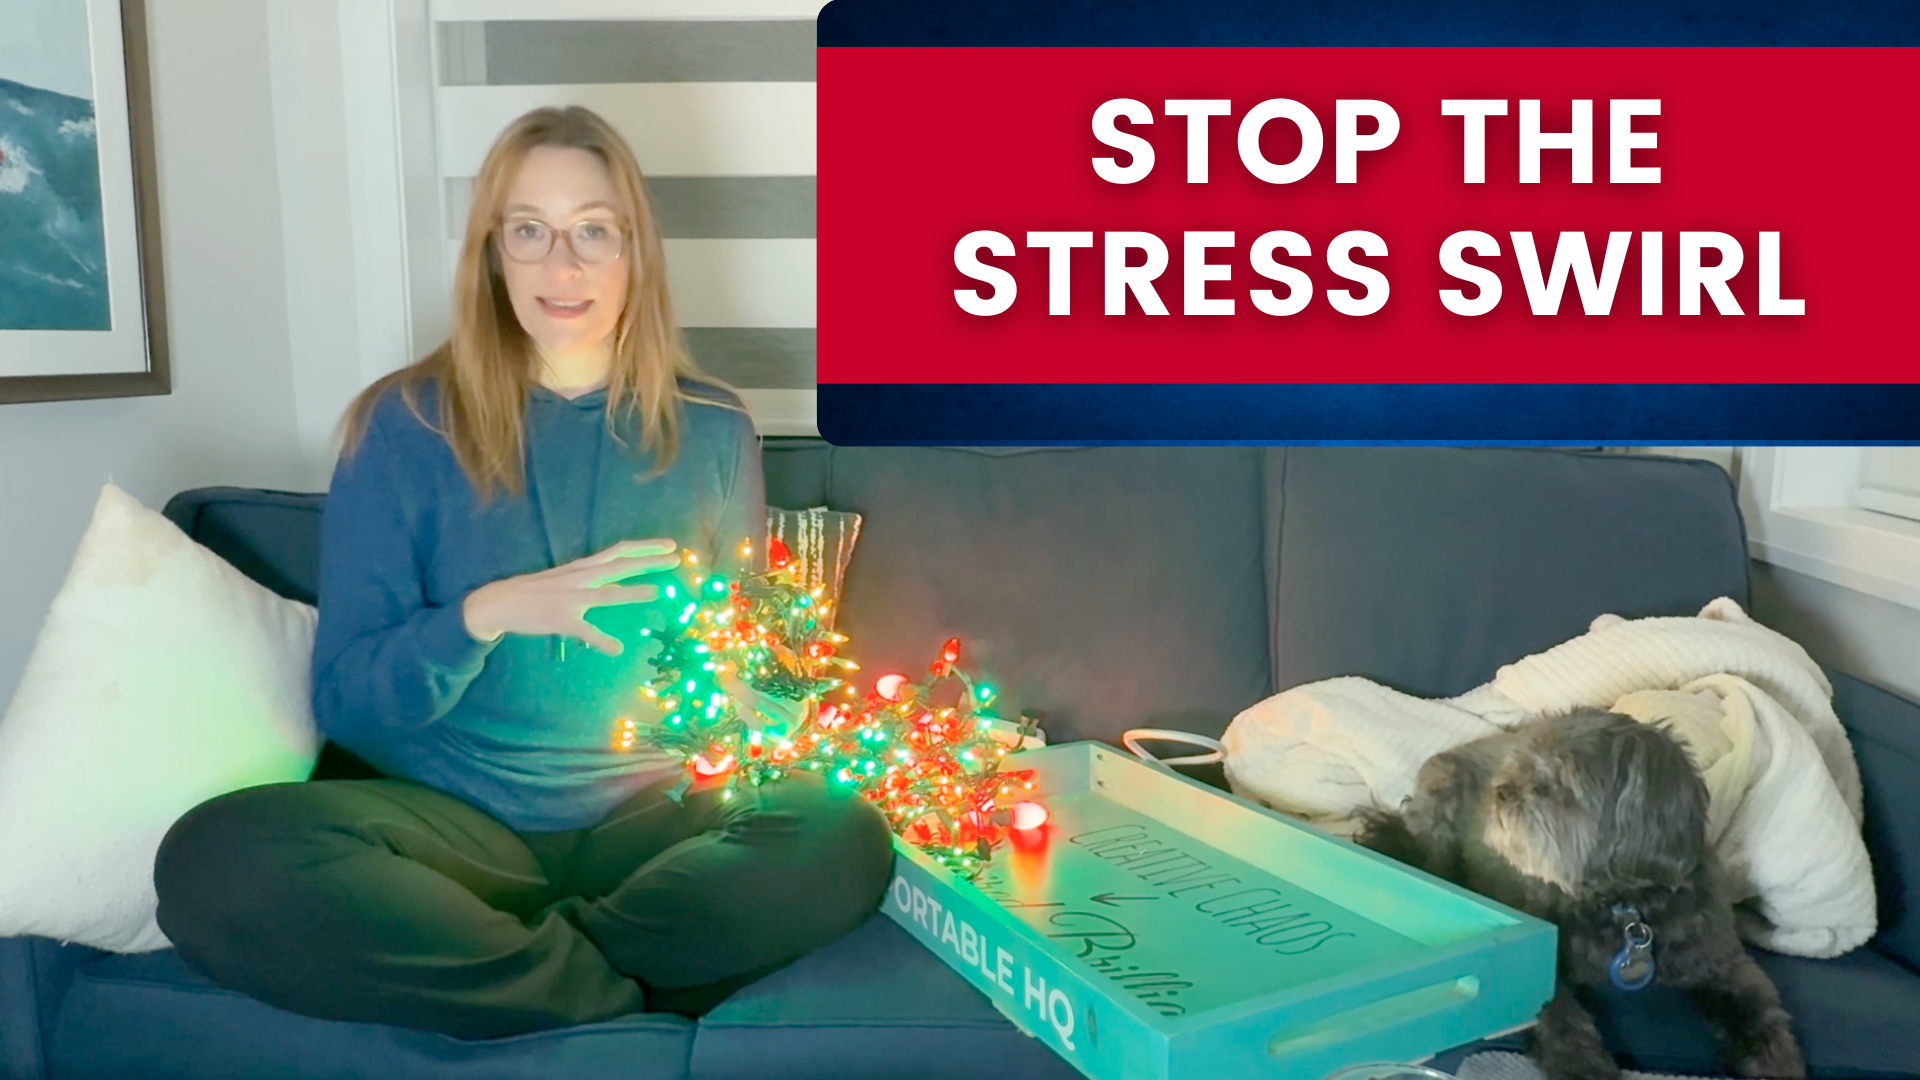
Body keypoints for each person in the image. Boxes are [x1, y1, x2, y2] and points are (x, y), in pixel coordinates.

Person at [152, 106, 892, 1040]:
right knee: (212, 860)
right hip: (452, 831)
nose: (564, 266)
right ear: (492, 255)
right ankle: (613, 1003)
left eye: (593, 231)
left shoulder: (712, 428)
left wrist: (758, 701)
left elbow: (737, 650)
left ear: (636, 254)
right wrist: (486, 613)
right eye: (529, 232)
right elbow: (348, 703)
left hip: (654, 820)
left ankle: (515, 973)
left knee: (842, 835)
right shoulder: (402, 427)